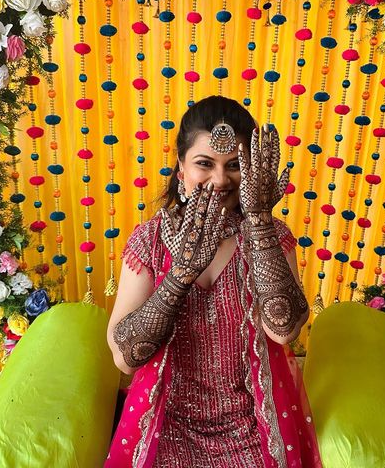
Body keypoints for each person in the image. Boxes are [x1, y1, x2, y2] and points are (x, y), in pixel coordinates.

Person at [105, 96, 322, 468]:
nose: (221, 180)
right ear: (181, 169)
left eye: (235, 166)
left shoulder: (272, 236)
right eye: (204, 164)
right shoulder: (151, 240)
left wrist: (258, 222)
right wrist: (179, 277)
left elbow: (285, 331)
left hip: (254, 423)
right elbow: (125, 358)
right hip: (166, 422)